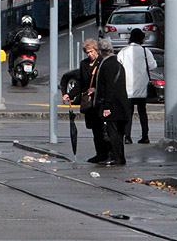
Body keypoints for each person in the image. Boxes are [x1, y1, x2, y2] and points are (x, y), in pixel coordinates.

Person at [63, 39, 107, 164]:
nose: (90, 54)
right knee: (95, 129)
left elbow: (106, 81)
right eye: (87, 52)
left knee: (103, 129)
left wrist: (96, 89)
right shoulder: (84, 64)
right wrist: (69, 94)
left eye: (91, 51)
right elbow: (80, 83)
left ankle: (107, 153)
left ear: (96, 50)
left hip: (100, 101)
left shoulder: (103, 62)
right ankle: (99, 153)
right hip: (89, 102)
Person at [93, 38, 131, 166]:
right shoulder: (118, 64)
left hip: (113, 105)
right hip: (121, 104)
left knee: (112, 132)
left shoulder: (107, 65)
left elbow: (109, 87)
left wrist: (106, 106)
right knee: (119, 133)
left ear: (100, 51)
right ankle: (120, 157)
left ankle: (116, 157)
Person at [117, 28, 157, 144]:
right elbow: (153, 65)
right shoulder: (145, 51)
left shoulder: (123, 51)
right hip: (142, 87)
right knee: (142, 112)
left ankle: (127, 137)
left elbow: (118, 65)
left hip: (127, 87)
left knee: (128, 113)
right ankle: (145, 136)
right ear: (141, 39)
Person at [6, 15, 39, 84]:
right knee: (34, 56)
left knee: (12, 53)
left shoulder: (19, 31)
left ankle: (11, 67)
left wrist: (11, 41)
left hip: (21, 51)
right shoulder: (34, 32)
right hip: (30, 53)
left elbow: (12, 38)